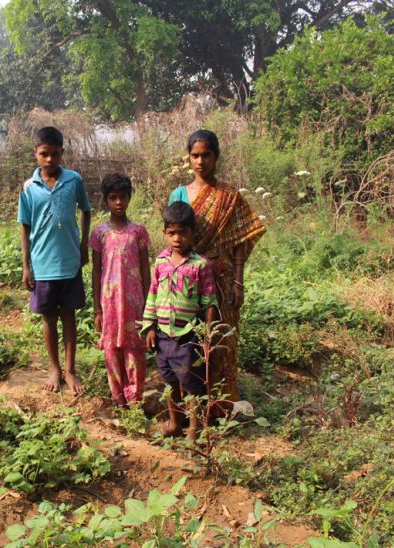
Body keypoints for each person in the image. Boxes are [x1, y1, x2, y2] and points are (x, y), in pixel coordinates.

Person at [168, 129, 265, 402]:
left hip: (220, 280)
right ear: (188, 158)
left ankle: (220, 404)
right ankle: (190, 404)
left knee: (220, 340)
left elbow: (239, 243)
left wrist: (237, 282)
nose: (200, 161)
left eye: (206, 155)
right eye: (195, 155)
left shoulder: (229, 196)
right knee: (186, 342)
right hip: (187, 280)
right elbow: (172, 237)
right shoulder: (178, 194)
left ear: (216, 156)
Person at [18, 126, 91, 395]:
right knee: (49, 318)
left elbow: (86, 210)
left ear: (62, 153)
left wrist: (83, 245)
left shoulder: (74, 180)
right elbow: (25, 226)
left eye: (55, 154)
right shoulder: (28, 187)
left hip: (70, 262)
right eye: (44, 154)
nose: (50, 160)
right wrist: (26, 266)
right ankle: (54, 369)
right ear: (36, 153)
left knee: (69, 317)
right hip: (42, 265)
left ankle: (70, 370)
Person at [143, 201, 218, 440]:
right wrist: (150, 326)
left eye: (182, 233)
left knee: (192, 385)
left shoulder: (201, 265)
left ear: (192, 233)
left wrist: (207, 336)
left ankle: (194, 430)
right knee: (169, 383)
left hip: (187, 337)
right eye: (171, 233)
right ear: (165, 233)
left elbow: (209, 303)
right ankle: (175, 423)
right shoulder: (161, 262)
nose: (177, 239)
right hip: (164, 335)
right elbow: (153, 294)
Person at [90, 173, 151, 406]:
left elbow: (145, 269)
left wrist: (149, 303)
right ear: (105, 200)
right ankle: (117, 399)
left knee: (134, 348)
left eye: (123, 197)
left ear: (129, 198)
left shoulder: (139, 232)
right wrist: (97, 309)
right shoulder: (99, 233)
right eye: (113, 197)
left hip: (135, 302)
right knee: (111, 350)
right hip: (109, 303)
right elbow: (96, 271)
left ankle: (134, 399)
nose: (118, 202)